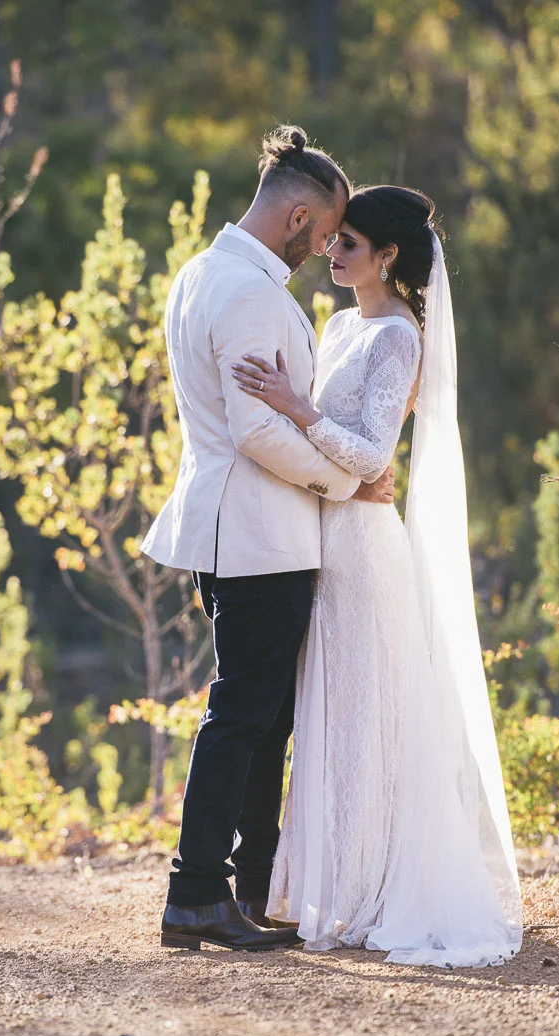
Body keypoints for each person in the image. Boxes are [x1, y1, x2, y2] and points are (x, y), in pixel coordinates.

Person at [232, 185, 522, 966]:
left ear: (388, 258)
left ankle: (369, 891)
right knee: (325, 714)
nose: (332, 251)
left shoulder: (397, 338)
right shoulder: (334, 325)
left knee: (362, 714)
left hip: (361, 548)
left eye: (349, 243)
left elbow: (372, 455)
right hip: (317, 535)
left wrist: (295, 408)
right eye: (335, 240)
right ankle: (324, 884)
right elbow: (344, 458)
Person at [141, 125, 396, 952]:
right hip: (258, 534)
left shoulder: (199, 273)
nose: (325, 250)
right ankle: (196, 894)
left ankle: (244, 889)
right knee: (244, 715)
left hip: (233, 530)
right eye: (325, 234)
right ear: (295, 216)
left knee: (260, 716)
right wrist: (350, 482)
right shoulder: (250, 292)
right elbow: (257, 430)